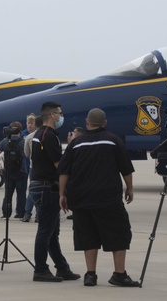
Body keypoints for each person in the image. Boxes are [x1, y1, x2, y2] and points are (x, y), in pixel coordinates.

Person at [58, 108, 138, 287]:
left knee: (87, 234)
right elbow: (126, 169)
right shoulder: (113, 140)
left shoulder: (76, 143)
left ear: (87, 122)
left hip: (80, 197)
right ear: (105, 123)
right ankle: (119, 274)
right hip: (107, 197)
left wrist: (62, 194)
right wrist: (130, 188)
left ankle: (91, 274)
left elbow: (64, 171)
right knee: (118, 233)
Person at [28, 101, 80, 282]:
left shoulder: (39, 134)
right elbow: (60, 165)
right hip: (46, 187)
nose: (61, 116)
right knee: (46, 230)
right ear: (51, 115)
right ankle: (41, 269)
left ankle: (62, 267)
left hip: (39, 185)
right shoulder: (48, 136)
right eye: (59, 113)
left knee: (51, 232)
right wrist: (72, 145)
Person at [0, 121, 26, 219]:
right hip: (21, 171)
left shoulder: (5, 141)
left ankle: (6, 214)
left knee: (8, 194)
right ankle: (20, 214)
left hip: (8, 171)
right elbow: (29, 154)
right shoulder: (23, 142)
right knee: (21, 194)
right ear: (20, 130)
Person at [20, 113, 37, 222]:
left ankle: (27, 213)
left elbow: (26, 153)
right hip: (26, 165)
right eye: (28, 123)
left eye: (31, 123)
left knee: (32, 190)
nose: (29, 125)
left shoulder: (31, 136)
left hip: (32, 166)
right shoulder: (24, 135)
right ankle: (24, 212)